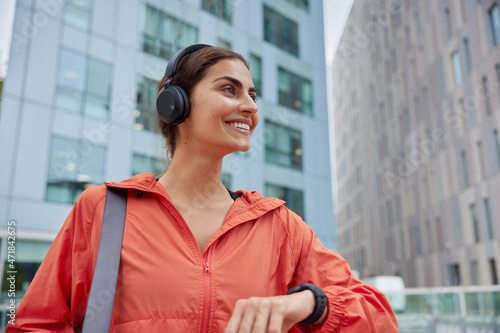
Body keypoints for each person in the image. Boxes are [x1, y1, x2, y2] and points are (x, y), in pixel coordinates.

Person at [6, 45, 398, 332]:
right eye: (230, 90)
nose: (249, 106)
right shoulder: (104, 209)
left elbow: (379, 317)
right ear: (175, 105)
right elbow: (33, 326)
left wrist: (310, 303)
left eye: (252, 95)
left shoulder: (279, 225)